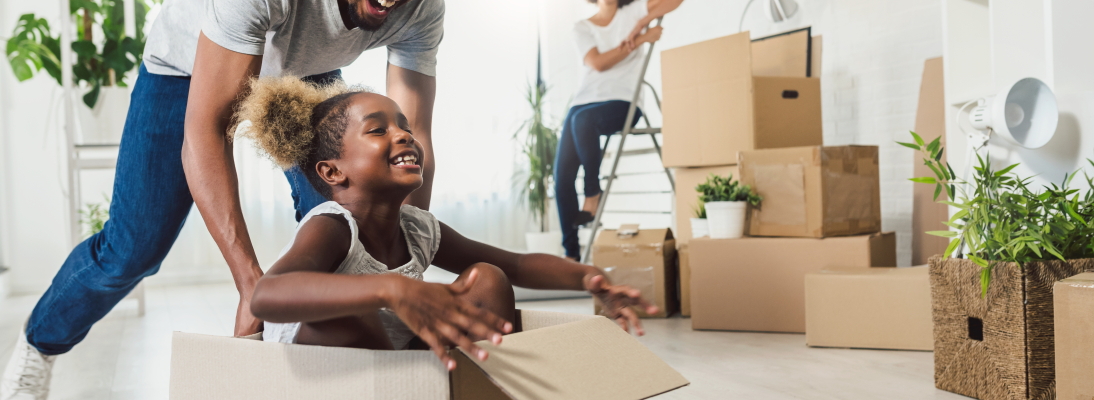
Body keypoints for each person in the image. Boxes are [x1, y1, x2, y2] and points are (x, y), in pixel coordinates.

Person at [2, 0, 443, 398]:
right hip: (188, 67)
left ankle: (342, 377)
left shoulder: (420, 5)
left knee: (351, 221)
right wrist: (250, 283)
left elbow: (413, 138)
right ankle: (38, 346)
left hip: (309, 67)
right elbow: (205, 132)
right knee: (132, 249)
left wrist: (403, 258)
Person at [237, 77, 656, 370]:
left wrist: (588, 277)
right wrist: (392, 288)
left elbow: (517, 266)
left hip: (398, 353)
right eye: (378, 130)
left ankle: (469, 385)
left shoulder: (417, 228)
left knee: (487, 279)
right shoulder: (331, 226)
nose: (403, 135)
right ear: (333, 173)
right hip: (322, 361)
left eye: (403, 125)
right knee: (355, 313)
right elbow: (267, 295)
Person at [553, 0, 683, 261]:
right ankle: (572, 256)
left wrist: (641, 22)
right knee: (562, 179)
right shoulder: (582, 27)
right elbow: (598, 63)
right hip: (583, 103)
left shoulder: (633, 11)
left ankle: (592, 193)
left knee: (582, 121)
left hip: (623, 101)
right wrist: (641, 39)